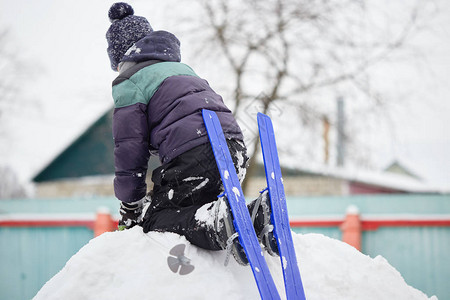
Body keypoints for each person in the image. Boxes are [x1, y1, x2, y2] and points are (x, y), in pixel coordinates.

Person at [106, 2, 277, 264]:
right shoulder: (183, 71)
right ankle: (255, 219)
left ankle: (221, 222)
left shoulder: (130, 81)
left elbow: (130, 149)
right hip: (233, 149)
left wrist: (130, 204)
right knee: (191, 206)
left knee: (156, 218)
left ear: (122, 58)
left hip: (196, 151)